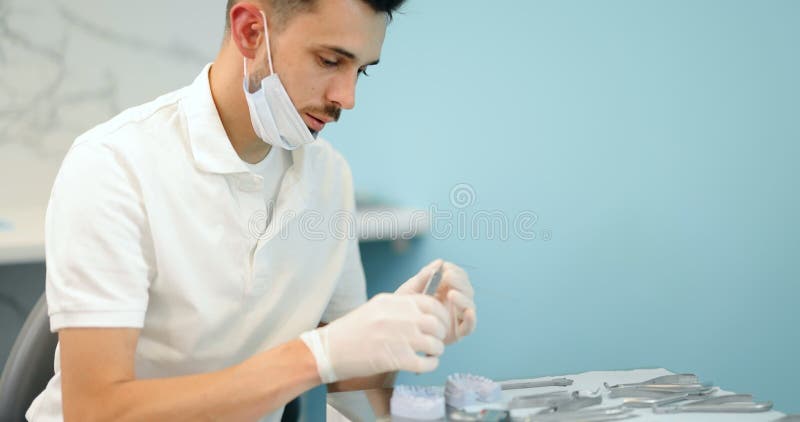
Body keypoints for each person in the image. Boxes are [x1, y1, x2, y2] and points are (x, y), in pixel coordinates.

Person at [26, 0, 477, 421]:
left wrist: (398, 336)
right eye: (329, 61)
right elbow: (95, 410)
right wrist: (315, 355)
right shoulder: (115, 165)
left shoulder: (328, 178)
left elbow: (355, 397)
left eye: (361, 71)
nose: (347, 97)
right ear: (250, 31)